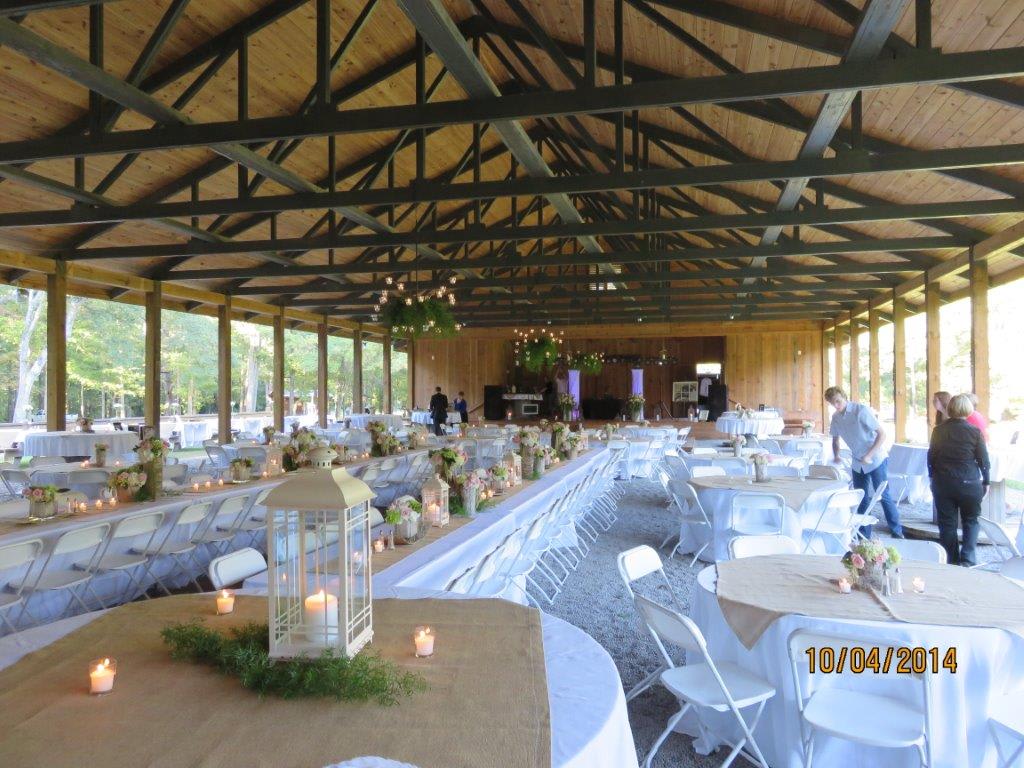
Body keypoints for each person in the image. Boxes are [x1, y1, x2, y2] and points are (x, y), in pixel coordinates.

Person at [825, 386, 903, 538]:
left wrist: (869, 455)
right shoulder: (836, 418)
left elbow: (882, 434)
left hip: (875, 457)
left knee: (883, 495)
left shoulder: (861, 410)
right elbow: (835, 439)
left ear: (844, 397)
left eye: (838, 401)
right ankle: (864, 535)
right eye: (832, 403)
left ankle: (897, 531)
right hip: (857, 461)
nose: (836, 405)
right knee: (861, 496)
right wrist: (836, 455)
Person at [928, 394, 990, 565]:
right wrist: (986, 481)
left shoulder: (939, 430)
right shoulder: (975, 432)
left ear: (949, 409)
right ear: (968, 409)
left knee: (947, 523)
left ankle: (951, 560)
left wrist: (932, 476)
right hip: (969, 482)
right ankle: (968, 559)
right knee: (971, 520)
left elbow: (932, 456)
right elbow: (983, 460)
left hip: (944, 482)